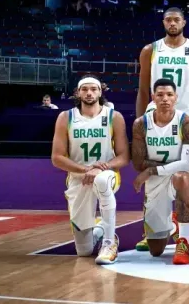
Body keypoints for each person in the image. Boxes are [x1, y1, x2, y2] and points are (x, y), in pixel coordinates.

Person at [135, 7, 189, 252]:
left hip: (188, 120)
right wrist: (141, 124)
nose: (172, 23)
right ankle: (151, 228)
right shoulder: (150, 50)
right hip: (155, 121)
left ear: (184, 22)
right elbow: (142, 90)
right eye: (168, 20)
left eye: (176, 19)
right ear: (163, 23)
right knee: (150, 173)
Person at [51, 75, 130, 265]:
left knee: (101, 181)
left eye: (93, 89)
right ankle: (101, 228)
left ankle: (109, 243)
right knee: (84, 251)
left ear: (100, 92)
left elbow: (124, 157)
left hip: (107, 174)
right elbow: (57, 157)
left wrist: (102, 168)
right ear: (78, 93)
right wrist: (85, 169)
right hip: (79, 178)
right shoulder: (66, 117)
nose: (89, 93)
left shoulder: (113, 117)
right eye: (84, 89)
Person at [131, 78, 189, 265]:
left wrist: (152, 169)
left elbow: (187, 165)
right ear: (153, 98)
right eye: (160, 95)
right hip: (155, 180)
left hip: (174, 176)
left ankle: (183, 242)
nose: (165, 99)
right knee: (155, 251)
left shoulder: (187, 123)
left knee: (181, 178)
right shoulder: (141, 124)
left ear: (176, 98)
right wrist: (166, 166)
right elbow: (138, 163)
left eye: (169, 95)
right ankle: (171, 225)